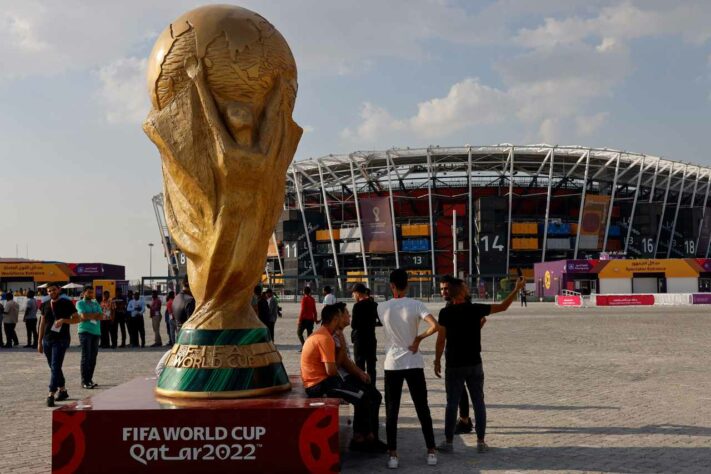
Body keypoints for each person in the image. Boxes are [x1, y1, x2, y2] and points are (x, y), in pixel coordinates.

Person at [434, 277, 525, 453]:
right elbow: (503, 306)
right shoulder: (476, 309)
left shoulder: (445, 313)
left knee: (451, 403)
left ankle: (448, 442)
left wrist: (437, 360)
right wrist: (516, 289)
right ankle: (481, 442)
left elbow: (440, 340)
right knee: (478, 402)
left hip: (454, 364)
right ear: (461, 291)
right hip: (474, 363)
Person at [300, 303, 385, 452]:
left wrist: (359, 373)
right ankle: (363, 439)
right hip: (320, 384)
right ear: (335, 318)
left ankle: (366, 437)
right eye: (343, 314)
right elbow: (332, 370)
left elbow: (337, 366)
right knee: (363, 397)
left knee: (367, 396)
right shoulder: (325, 337)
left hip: (324, 380)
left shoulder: (326, 334)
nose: (347, 316)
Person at [378, 269, 440, 469]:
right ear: (408, 285)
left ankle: (393, 455)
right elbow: (435, 326)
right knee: (422, 407)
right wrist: (418, 339)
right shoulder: (416, 305)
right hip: (413, 362)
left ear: (391, 286)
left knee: (391, 410)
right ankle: (431, 451)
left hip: (392, 363)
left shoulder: (382, 307)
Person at [439, 275, 480, 435]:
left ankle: (464, 421)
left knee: (459, 391)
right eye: (442, 288)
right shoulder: (449, 305)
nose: (443, 291)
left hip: (462, 357)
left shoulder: (461, 304)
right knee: (461, 390)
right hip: (454, 354)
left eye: (446, 288)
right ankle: (464, 419)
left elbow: (480, 320)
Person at [38, 283, 81, 407]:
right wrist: (39, 342)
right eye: (49, 291)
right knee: (53, 366)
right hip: (47, 340)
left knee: (55, 365)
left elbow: (77, 319)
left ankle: (51, 393)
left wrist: (64, 320)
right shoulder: (45, 304)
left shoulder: (66, 303)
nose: (51, 292)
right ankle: (62, 390)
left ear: (59, 290)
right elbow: (42, 323)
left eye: (53, 290)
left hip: (61, 340)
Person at [76, 286, 104, 389]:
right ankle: (84, 381)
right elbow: (83, 316)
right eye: (89, 292)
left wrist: (91, 315)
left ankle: (89, 380)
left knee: (93, 357)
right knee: (86, 356)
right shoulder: (80, 303)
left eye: (92, 293)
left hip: (96, 332)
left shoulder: (95, 303)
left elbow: (102, 316)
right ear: (83, 293)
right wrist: (95, 315)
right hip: (85, 332)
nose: (91, 294)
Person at [351, 283, 379, 384]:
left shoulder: (357, 306)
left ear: (358, 293)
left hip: (360, 340)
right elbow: (379, 321)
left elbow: (353, 325)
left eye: (353, 294)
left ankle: (363, 389)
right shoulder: (374, 305)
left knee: (360, 367)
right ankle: (372, 388)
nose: (353, 296)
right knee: (371, 367)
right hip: (371, 339)